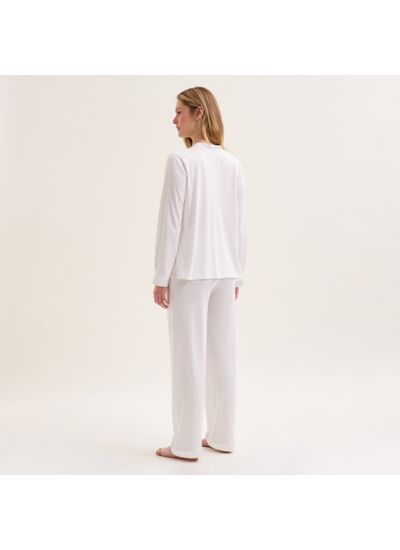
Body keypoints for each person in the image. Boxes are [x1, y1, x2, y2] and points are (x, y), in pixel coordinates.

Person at [152, 86, 247, 461]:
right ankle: (223, 435)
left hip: (191, 272)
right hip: (225, 271)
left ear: (199, 113)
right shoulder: (232, 164)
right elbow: (240, 227)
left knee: (188, 356)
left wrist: (161, 276)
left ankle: (186, 443)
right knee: (223, 355)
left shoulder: (181, 161)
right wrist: (238, 275)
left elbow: (170, 223)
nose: (174, 119)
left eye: (180, 112)